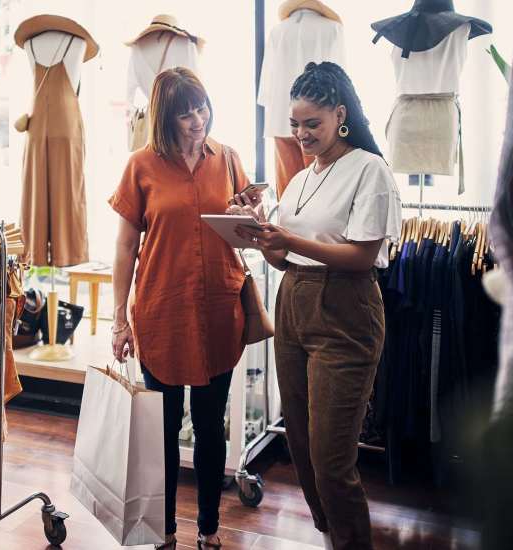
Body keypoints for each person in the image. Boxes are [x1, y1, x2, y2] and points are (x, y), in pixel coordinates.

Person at [230, 61, 401, 550]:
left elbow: (362, 255)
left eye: (312, 124)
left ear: (340, 116)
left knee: (331, 458)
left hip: (345, 312)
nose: (302, 134)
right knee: (301, 447)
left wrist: (287, 239)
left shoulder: (369, 169)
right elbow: (283, 259)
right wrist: (260, 231)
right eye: (295, 125)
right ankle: (332, 538)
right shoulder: (302, 179)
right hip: (293, 308)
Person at [109, 67, 250, 550]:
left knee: (211, 428)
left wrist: (251, 220)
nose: (197, 120)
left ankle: (209, 530)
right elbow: (126, 247)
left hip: (218, 311)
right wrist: (117, 319)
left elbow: (249, 231)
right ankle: (164, 531)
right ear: (165, 119)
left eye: (202, 107)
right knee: (163, 431)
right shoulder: (141, 166)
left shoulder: (228, 159)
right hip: (161, 311)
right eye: (185, 113)